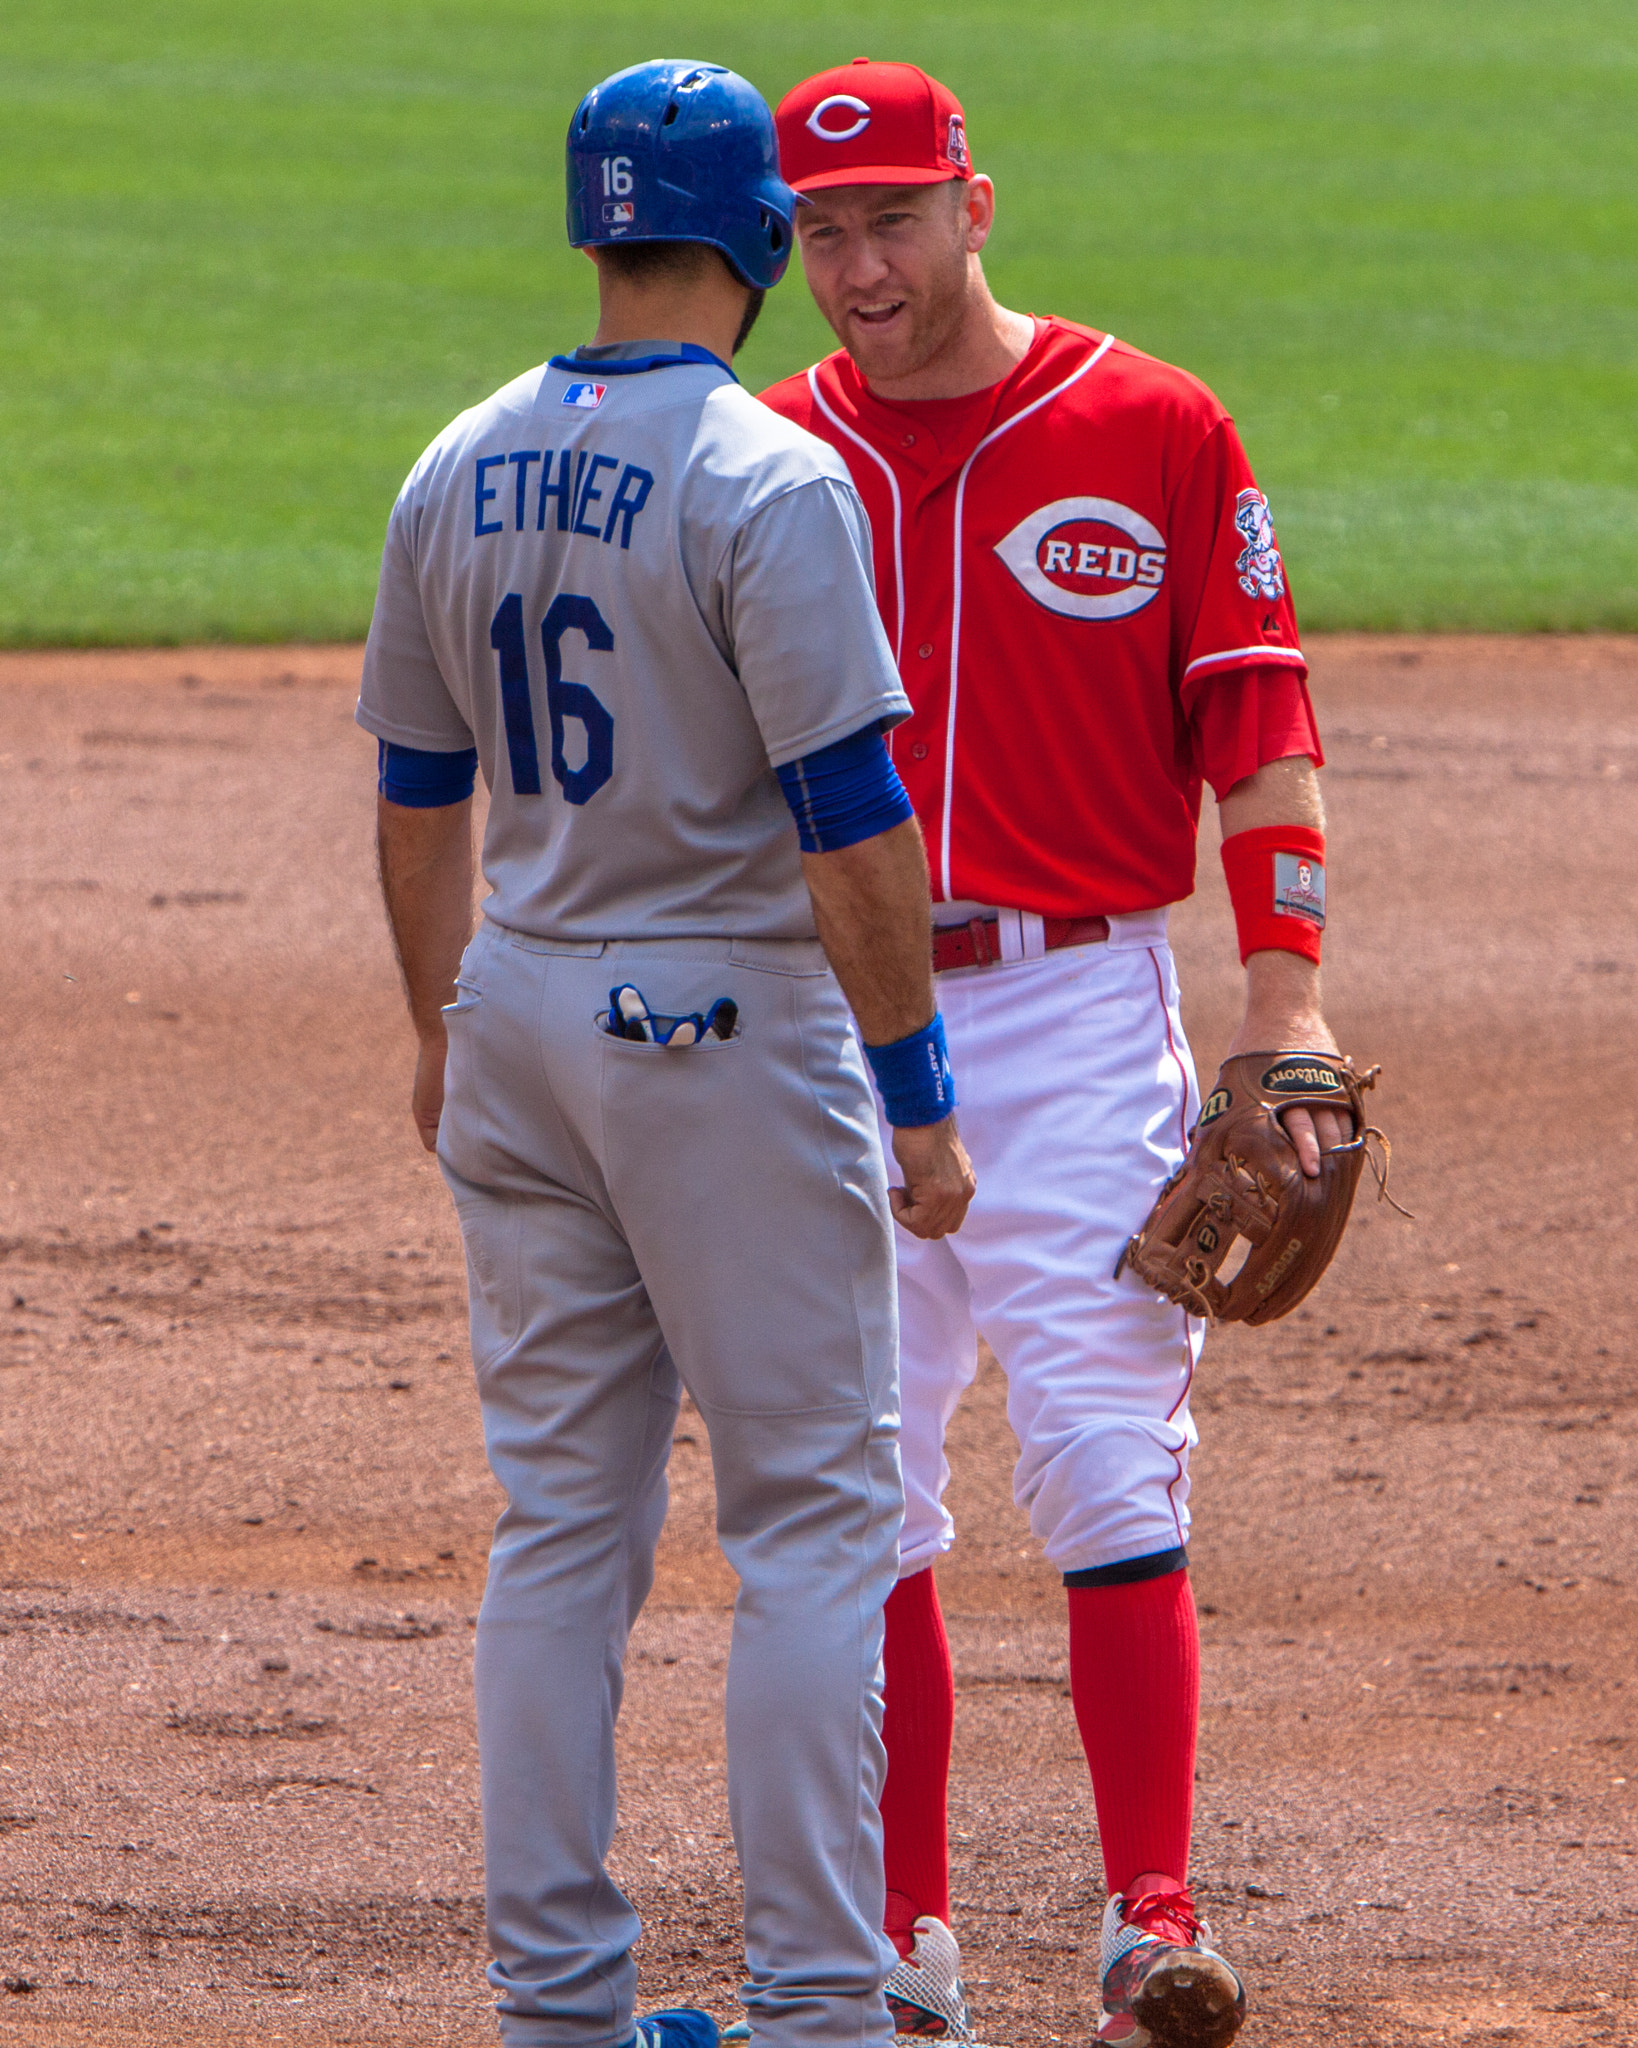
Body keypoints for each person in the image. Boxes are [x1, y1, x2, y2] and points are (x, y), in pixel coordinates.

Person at [356, 59, 975, 2048]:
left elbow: (416, 791)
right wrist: (921, 1096)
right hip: (714, 1014)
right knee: (812, 1522)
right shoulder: (766, 477)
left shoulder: (450, 459)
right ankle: (810, 2003)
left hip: (520, 1000)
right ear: (756, 248)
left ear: (598, 231)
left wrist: (437, 1023)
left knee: (559, 1529)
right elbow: (852, 822)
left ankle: (555, 2007)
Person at [761, 58, 1348, 2048]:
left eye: (895, 219)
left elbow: (1258, 732)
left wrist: (1285, 1002)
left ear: (976, 205)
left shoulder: (1155, 426)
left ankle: (1147, 1921)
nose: (862, 264)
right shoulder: (763, 461)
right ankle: (905, 1941)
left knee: (1106, 1452)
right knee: (869, 1478)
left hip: (1080, 1008)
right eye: (823, 231)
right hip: (834, 1013)